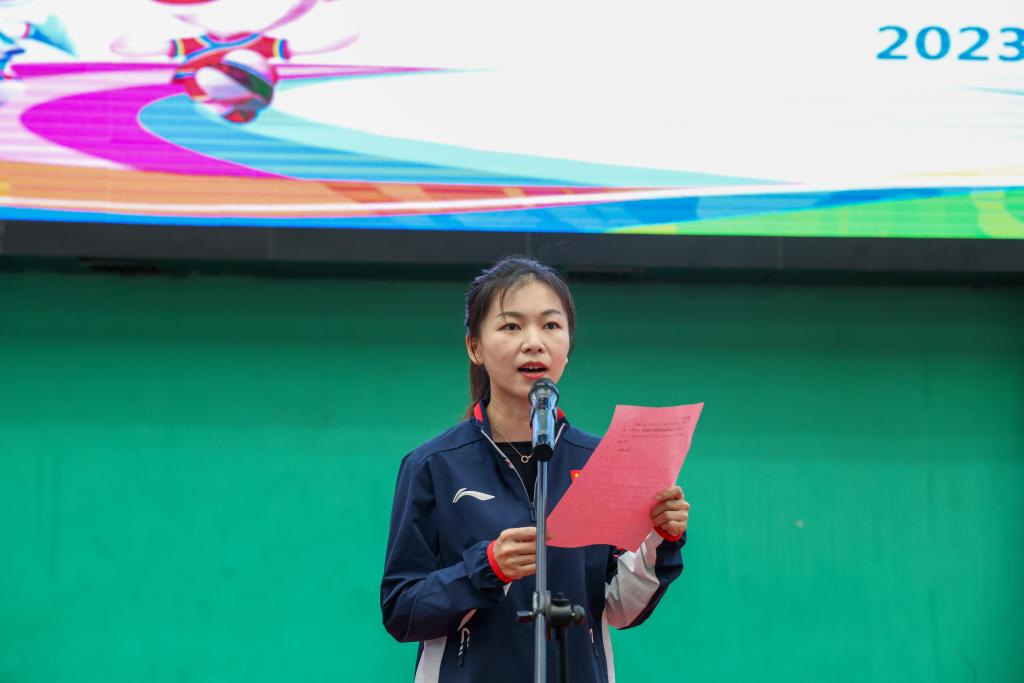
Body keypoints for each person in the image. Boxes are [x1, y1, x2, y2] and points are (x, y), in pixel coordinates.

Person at [380, 256, 690, 682]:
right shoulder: (434, 465)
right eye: (511, 326)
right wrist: (486, 569)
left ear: (568, 346)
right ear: (474, 347)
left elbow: (619, 608)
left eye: (551, 325)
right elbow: (402, 611)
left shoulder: (602, 460)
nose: (534, 342)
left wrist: (659, 539)